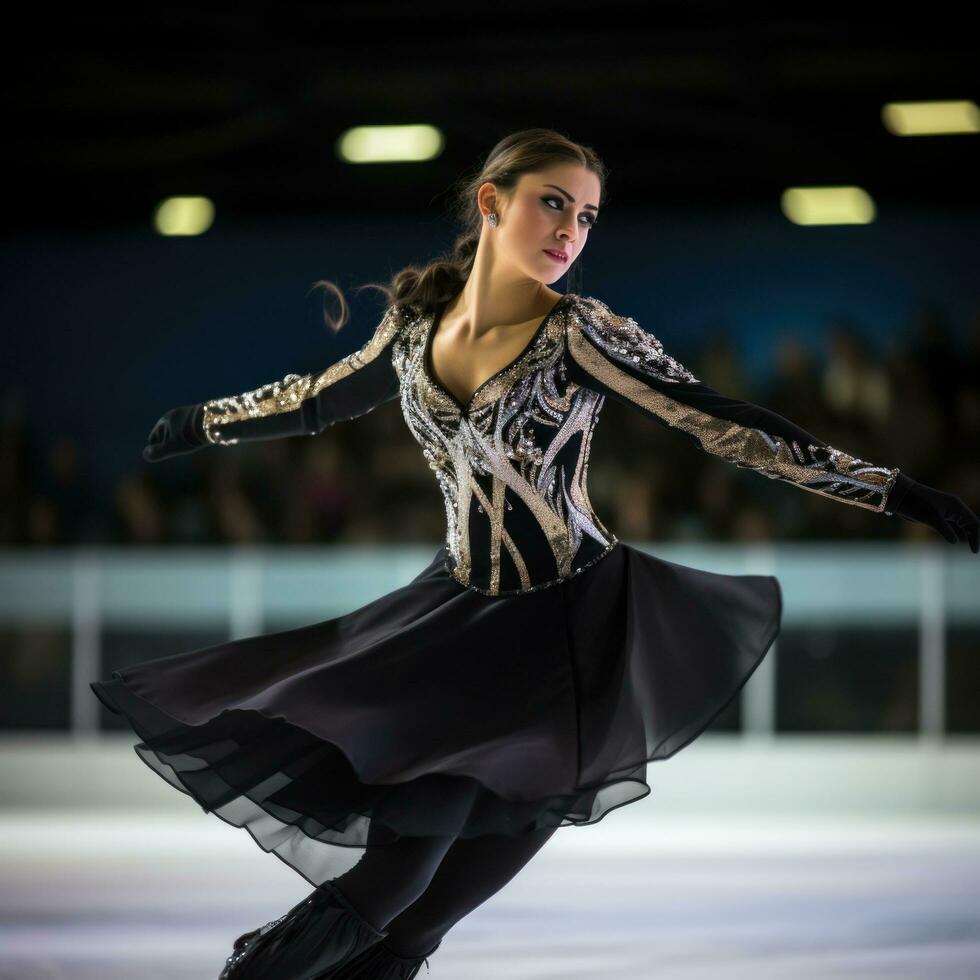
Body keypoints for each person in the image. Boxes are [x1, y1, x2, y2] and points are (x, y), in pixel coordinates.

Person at [90, 128, 979, 980]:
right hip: (455, 621)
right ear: (491, 201)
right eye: (554, 204)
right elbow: (319, 399)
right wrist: (205, 422)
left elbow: (728, 425)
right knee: (397, 881)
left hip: (569, 636)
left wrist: (898, 491)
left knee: (429, 910)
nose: (570, 231)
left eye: (588, 216)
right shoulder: (412, 328)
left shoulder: (583, 332)